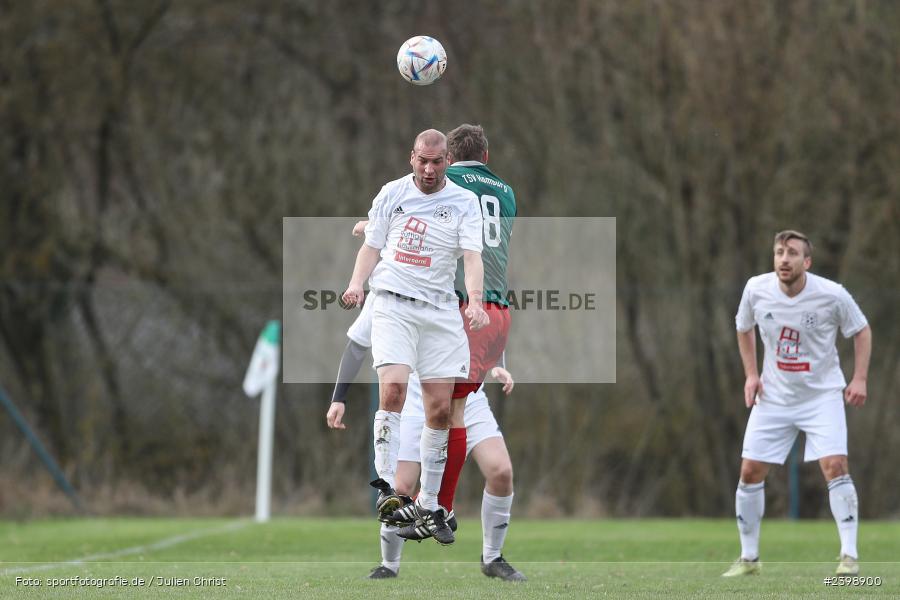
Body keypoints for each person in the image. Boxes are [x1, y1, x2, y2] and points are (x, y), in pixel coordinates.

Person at [351, 124, 518, 544]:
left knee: (446, 412)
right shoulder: (505, 192)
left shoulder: (458, 191)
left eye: (437, 161)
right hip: (463, 311)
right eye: (422, 160)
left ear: (450, 161)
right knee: (411, 398)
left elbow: (465, 251)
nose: (428, 168)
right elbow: (387, 234)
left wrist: (473, 301)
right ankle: (403, 496)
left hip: (452, 309)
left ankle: (436, 506)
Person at [326, 294, 526, 581]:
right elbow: (358, 344)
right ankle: (389, 565)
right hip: (417, 401)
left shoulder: (450, 276)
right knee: (400, 487)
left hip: (465, 398)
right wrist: (339, 398)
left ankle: (492, 557)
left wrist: (498, 362)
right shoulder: (389, 288)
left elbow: (485, 321)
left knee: (501, 471)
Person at [723, 230, 871, 577]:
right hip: (773, 396)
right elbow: (743, 327)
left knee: (835, 465)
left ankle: (849, 557)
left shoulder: (831, 295)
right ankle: (748, 559)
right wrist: (751, 374)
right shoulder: (756, 289)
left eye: (791, 253)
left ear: (807, 262)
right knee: (749, 472)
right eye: (778, 252)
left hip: (821, 396)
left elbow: (861, 330)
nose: (783, 259)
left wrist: (860, 378)